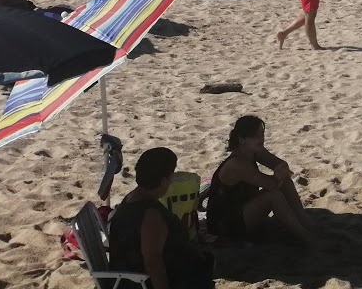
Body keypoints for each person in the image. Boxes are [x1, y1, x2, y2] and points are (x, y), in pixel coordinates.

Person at [108, 147, 215, 289]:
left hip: (136, 271)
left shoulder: (134, 196)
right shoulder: (150, 215)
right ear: (164, 181)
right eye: (171, 176)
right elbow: (153, 263)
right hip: (140, 281)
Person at [207, 115, 312, 244]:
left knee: (285, 182)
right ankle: (306, 238)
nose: (260, 138)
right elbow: (271, 185)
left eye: (262, 134)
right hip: (224, 223)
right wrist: (278, 174)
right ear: (242, 139)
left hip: (242, 209)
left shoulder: (254, 151)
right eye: (255, 136)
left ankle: (304, 222)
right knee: (274, 196)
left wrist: (281, 170)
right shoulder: (236, 164)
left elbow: (281, 164)